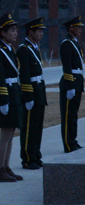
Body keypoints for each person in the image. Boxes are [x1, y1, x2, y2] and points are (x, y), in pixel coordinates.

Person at [18, 17, 47, 169]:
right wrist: (28, 96)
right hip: (31, 93)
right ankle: (28, 158)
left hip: (39, 91)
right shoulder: (24, 50)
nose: (42, 34)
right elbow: (24, 75)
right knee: (29, 127)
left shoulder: (34, 48)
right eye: (39, 31)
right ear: (31, 32)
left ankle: (35, 155)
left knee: (37, 127)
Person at [0, 13, 23, 182]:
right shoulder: (1, 51)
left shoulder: (9, 49)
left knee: (11, 132)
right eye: (12, 30)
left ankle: (6, 166)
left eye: (16, 30)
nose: (15, 33)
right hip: (6, 94)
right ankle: (0, 169)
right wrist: (3, 100)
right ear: (3, 33)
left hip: (14, 93)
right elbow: (0, 76)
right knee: (5, 134)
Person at [59, 15, 85, 153]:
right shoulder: (67, 44)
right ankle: (68, 143)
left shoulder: (74, 43)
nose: (80, 29)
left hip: (77, 80)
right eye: (78, 27)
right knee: (68, 115)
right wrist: (70, 86)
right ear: (71, 28)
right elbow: (67, 66)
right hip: (71, 81)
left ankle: (73, 140)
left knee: (74, 114)